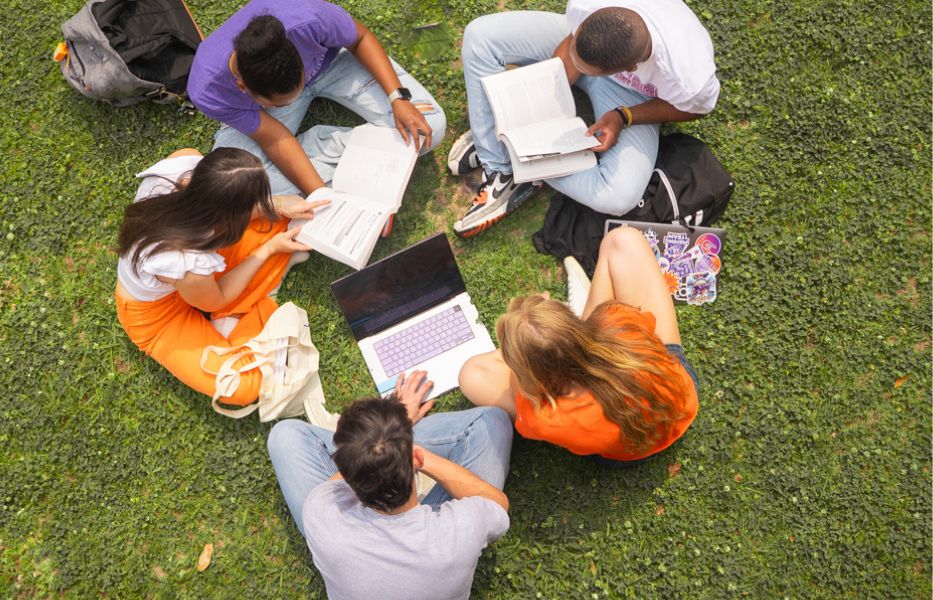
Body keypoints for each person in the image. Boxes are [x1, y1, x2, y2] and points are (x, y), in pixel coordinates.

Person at [447, 0, 720, 237]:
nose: (575, 72)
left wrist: (624, 116)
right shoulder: (587, 5)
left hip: (631, 95)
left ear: (631, 69)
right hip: (588, 48)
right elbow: (569, 47)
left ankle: (525, 163)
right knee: (479, 36)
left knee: (619, 196)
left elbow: (694, 109)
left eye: (583, 69)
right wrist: (555, 82)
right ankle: (500, 164)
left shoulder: (688, 78)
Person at [187, 0, 446, 234]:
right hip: (267, 121)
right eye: (283, 102)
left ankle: (327, 161)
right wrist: (323, 197)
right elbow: (273, 137)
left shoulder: (309, 17)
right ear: (243, 88)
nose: (297, 98)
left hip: (334, 66)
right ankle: (334, 149)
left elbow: (360, 37)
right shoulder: (208, 90)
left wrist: (397, 97)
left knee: (428, 128)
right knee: (234, 185)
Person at [458, 226, 699, 464]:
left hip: (625, 453)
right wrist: (545, 331)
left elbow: (517, 385)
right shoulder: (617, 322)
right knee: (622, 239)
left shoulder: (543, 416)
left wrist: (522, 354)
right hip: (679, 405)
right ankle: (565, 328)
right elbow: (632, 326)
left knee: (471, 374)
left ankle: (546, 346)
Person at [268, 371, 512, 599]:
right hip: (435, 533)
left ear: (347, 477)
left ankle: (375, 446)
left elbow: (344, 477)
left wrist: (369, 450)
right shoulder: (462, 531)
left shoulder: (321, 513)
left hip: (345, 533)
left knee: (284, 435)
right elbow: (497, 504)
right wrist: (410, 445)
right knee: (493, 422)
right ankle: (388, 444)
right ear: (416, 460)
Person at [116, 147, 327, 406]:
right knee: (242, 385)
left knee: (279, 221)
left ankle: (241, 308)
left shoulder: (180, 167)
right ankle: (243, 313)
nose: (261, 204)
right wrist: (268, 250)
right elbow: (216, 299)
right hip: (160, 318)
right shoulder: (189, 262)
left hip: (190, 276)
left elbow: (227, 210)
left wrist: (279, 204)